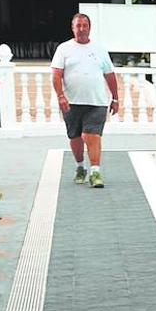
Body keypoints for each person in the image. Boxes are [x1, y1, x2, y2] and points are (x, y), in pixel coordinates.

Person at [51, 13, 119, 189]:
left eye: (85, 25)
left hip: (97, 102)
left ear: (90, 28)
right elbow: (56, 75)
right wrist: (60, 96)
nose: (82, 29)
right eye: (78, 26)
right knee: (75, 137)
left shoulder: (100, 50)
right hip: (71, 102)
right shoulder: (64, 49)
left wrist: (115, 98)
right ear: (73, 28)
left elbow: (110, 75)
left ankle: (95, 172)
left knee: (91, 135)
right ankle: (80, 166)